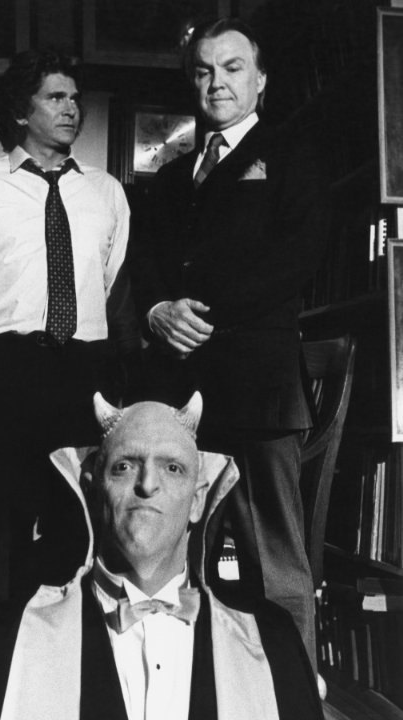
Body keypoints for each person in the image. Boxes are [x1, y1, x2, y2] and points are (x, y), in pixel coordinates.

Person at [129, 17, 331, 673]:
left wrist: (201, 315)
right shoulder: (170, 177)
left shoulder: (294, 154)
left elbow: (300, 255)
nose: (217, 82)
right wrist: (159, 312)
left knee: (275, 557)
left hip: (258, 389)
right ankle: (190, 687)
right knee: (172, 552)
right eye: (204, 70)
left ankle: (292, 690)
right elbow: (144, 268)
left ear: (260, 79)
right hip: (176, 397)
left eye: (233, 68)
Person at [0, 49, 138, 623]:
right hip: (4, 371)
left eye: (75, 98)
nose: (71, 109)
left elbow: (115, 294)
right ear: (21, 111)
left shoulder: (107, 193)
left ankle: (62, 652)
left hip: (84, 375)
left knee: (78, 523)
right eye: (55, 97)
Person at [0, 391, 324, 720]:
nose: (147, 484)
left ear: (197, 499)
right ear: (93, 492)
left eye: (172, 468)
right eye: (124, 466)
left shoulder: (271, 643)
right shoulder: (11, 639)